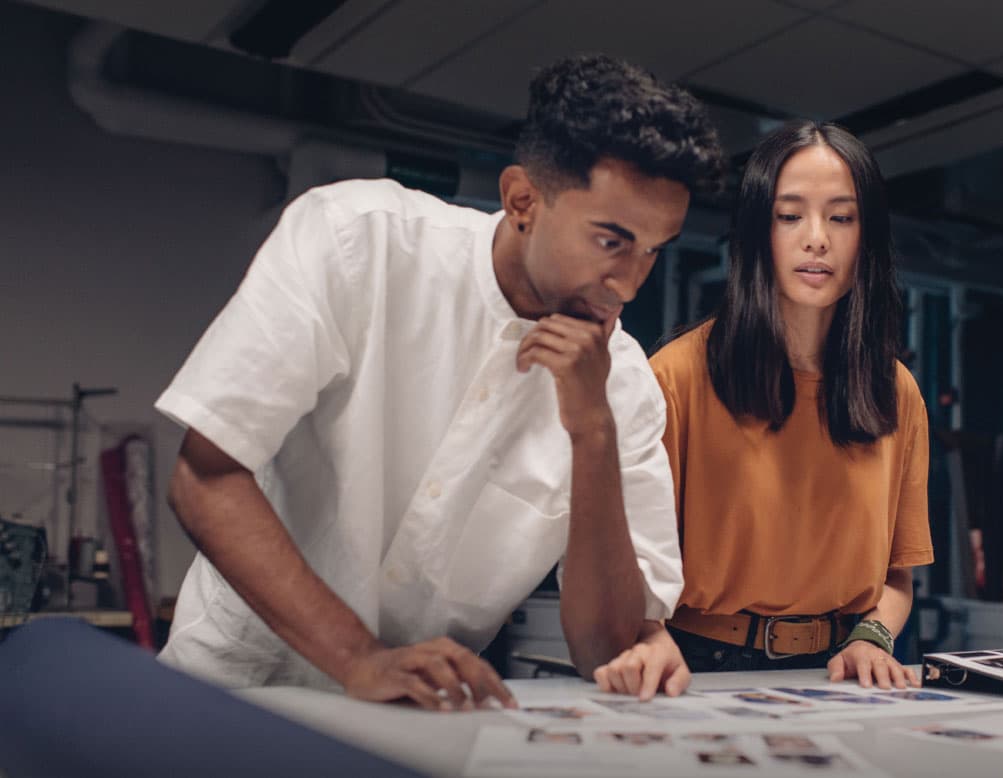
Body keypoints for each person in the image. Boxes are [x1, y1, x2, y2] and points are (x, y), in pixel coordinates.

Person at [155, 53, 725, 709]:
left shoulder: (622, 383)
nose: (629, 284)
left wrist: (592, 429)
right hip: (230, 688)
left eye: (656, 250)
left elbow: (606, 647)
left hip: (416, 714)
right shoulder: (356, 240)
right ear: (522, 200)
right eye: (611, 241)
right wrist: (358, 657)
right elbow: (204, 478)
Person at [594, 121, 932, 695]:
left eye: (842, 217)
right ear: (757, 232)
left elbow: (897, 574)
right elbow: (624, 564)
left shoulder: (893, 390)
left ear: (866, 237)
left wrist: (873, 635)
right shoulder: (676, 377)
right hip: (698, 662)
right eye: (790, 215)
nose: (817, 238)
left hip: (843, 668)